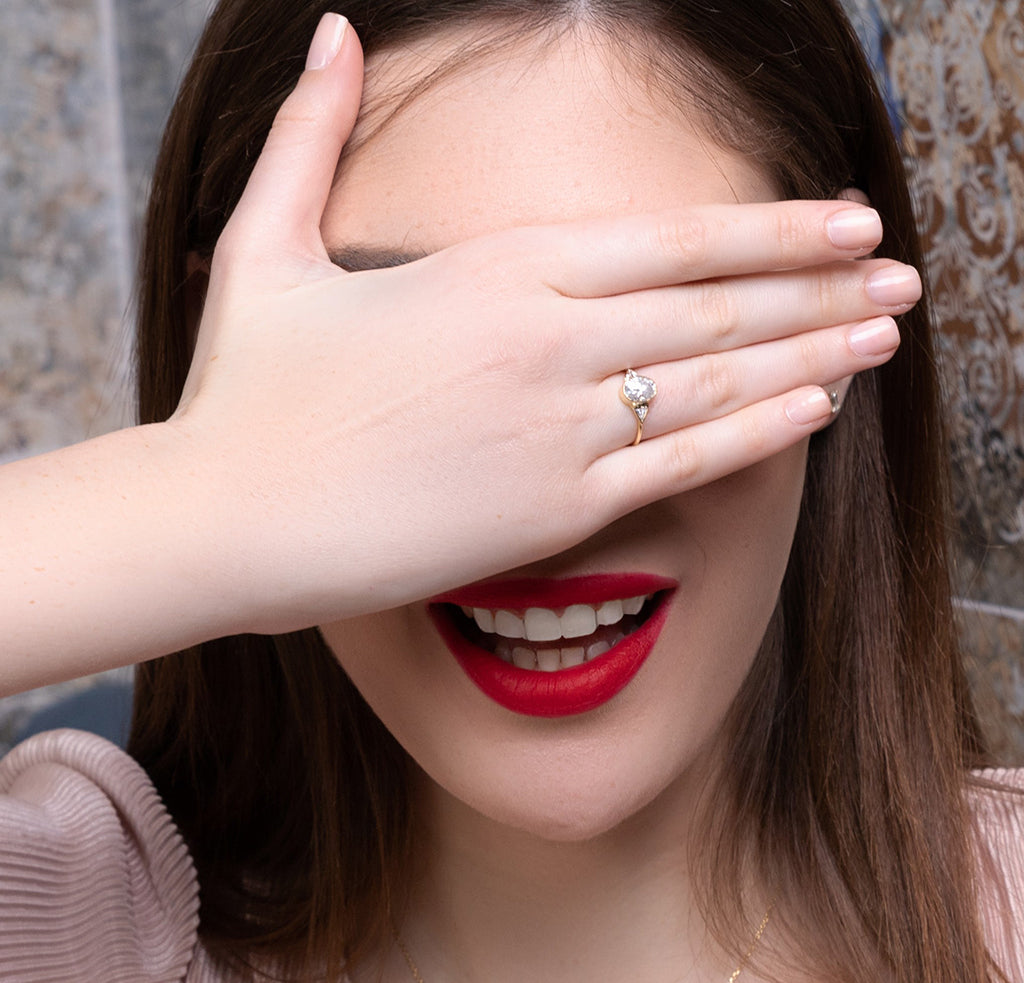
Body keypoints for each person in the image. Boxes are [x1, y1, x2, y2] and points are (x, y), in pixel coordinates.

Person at [0, 1, 1021, 981]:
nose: (543, 510)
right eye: (419, 380)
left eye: (649, 337)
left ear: (834, 323)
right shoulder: (68, 924)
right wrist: (200, 486)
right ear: (220, 350)